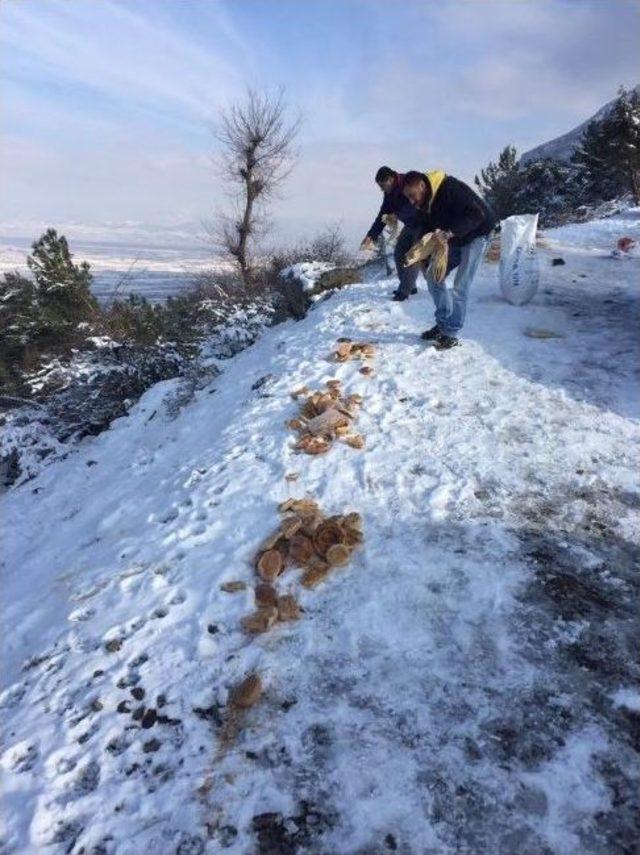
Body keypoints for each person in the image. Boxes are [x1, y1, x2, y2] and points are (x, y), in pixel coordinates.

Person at [402, 170, 496, 350]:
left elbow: (477, 215)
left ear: (422, 185)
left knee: (461, 286)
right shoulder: (425, 202)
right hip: (456, 236)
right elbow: (426, 226)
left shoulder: (450, 188)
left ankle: (451, 333)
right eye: (408, 198)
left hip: (477, 234)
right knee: (433, 276)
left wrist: (450, 232)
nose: (412, 201)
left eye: (413, 196)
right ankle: (443, 323)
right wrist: (420, 253)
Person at [360, 166, 428, 301]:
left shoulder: (407, 183)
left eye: (382, 185)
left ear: (390, 180)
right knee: (399, 253)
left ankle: (404, 291)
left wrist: (397, 215)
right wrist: (371, 236)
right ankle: (410, 286)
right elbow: (382, 216)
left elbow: (415, 204)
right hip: (410, 225)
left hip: (424, 224)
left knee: (413, 256)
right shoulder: (389, 194)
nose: (381, 189)